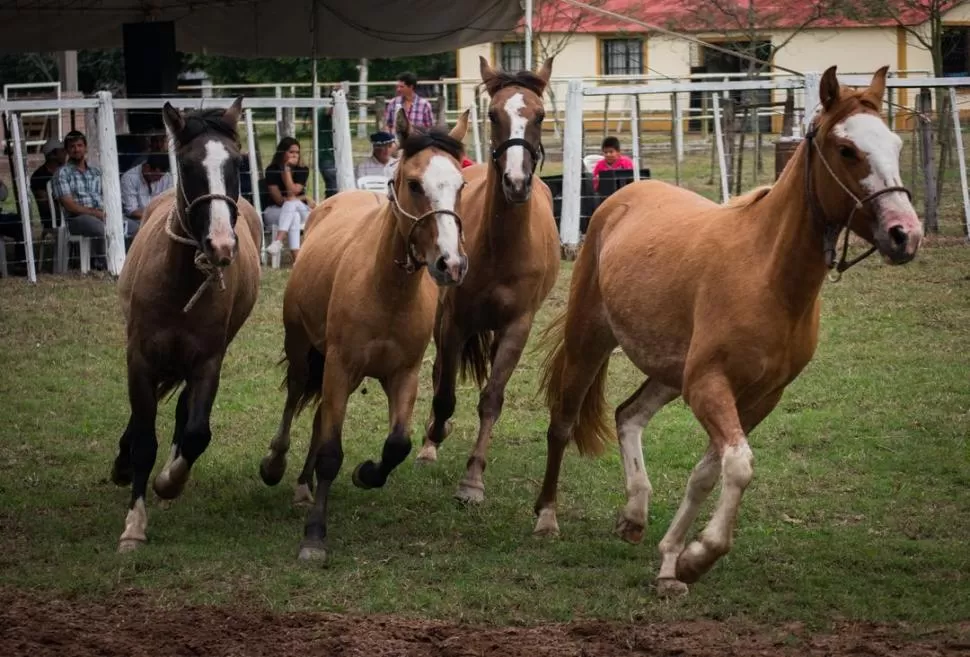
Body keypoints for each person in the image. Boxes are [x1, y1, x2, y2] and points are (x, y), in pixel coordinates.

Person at [52, 130, 107, 269]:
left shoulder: (96, 172)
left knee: (131, 226)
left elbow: (107, 196)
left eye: (80, 145)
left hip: (102, 214)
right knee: (100, 228)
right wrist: (95, 213)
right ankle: (102, 264)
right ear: (67, 150)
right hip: (76, 219)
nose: (76, 149)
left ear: (85, 147)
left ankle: (128, 263)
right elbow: (70, 206)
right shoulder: (62, 173)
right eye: (72, 146)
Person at [264, 137, 314, 262]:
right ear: (282, 153)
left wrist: (287, 169)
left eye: (297, 152)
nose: (295, 155)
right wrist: (303, 197)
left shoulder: (302, 169)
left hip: (302, 209)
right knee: (294, 215)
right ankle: (297, 260)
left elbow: (292, 192)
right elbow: (279, 200)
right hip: (276, 211)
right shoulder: (272, 170)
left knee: (292, 204)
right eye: (291, 152)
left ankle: (278, 241)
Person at [120, 153, 171, 238]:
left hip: (160, 217)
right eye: (156, 175)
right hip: (137, 220)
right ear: (147, 167)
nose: (158, 179)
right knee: (141, 230)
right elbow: (132, 211)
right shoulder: (129, 178)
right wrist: (156, 216)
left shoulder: (166, 177)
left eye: (161, 176)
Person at [30, 138, 68, 234]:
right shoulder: (39, 176)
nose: (66, 153)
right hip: (55, 220)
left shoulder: (65, 172)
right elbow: (46, 207)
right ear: (52, 155)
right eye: (62, 151)